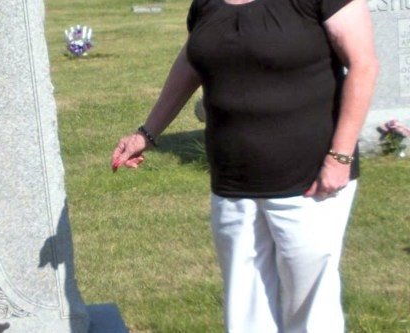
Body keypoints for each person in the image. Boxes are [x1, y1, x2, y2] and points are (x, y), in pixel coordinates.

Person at [111, 0, 378, 331]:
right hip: (233, 179)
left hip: (309, 179)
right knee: (244, 307)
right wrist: (146, 134)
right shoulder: (206, 4)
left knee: (309, 308)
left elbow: (363, 65)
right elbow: (193, 62)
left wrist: (340, 156)